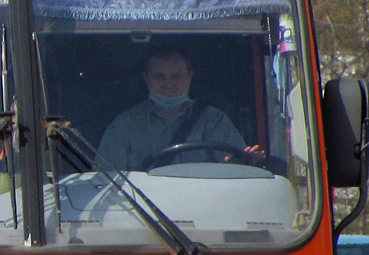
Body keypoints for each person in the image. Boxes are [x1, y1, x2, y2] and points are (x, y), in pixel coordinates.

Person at [96, 47, 264, 170]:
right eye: (159, 77)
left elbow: (237, 170)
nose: (168, 84)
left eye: (176, 76)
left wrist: (246, 162)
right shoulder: (123, 126)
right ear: (146, 78)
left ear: (189, 77)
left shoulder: (213, 120)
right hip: (145, 213)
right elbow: (105, 183)